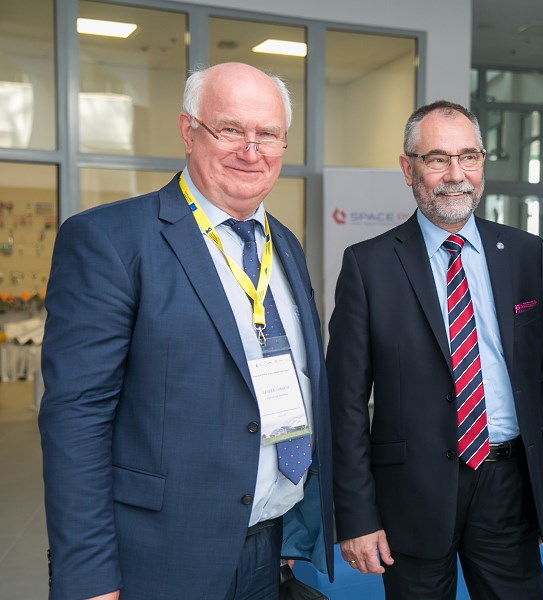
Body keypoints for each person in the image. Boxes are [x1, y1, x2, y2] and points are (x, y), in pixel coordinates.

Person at [39, 62, 333, 600]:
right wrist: (88, 576)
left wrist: (295, 521)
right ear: (188, 131)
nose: (251, 150)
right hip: (159, 558)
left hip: (269, 549)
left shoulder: (285, 244)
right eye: (230, 129)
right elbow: (76, 419)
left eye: (267, 134)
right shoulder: (109, 239)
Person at [327, 100, 543, 599]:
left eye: (469, 157)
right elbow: (345, 403)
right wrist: (356, 516)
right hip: (411, 492)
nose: (456, 175)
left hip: (509, 486)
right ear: (408, 169)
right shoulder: (368, 266)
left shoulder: (525, 254)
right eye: (437, 159)